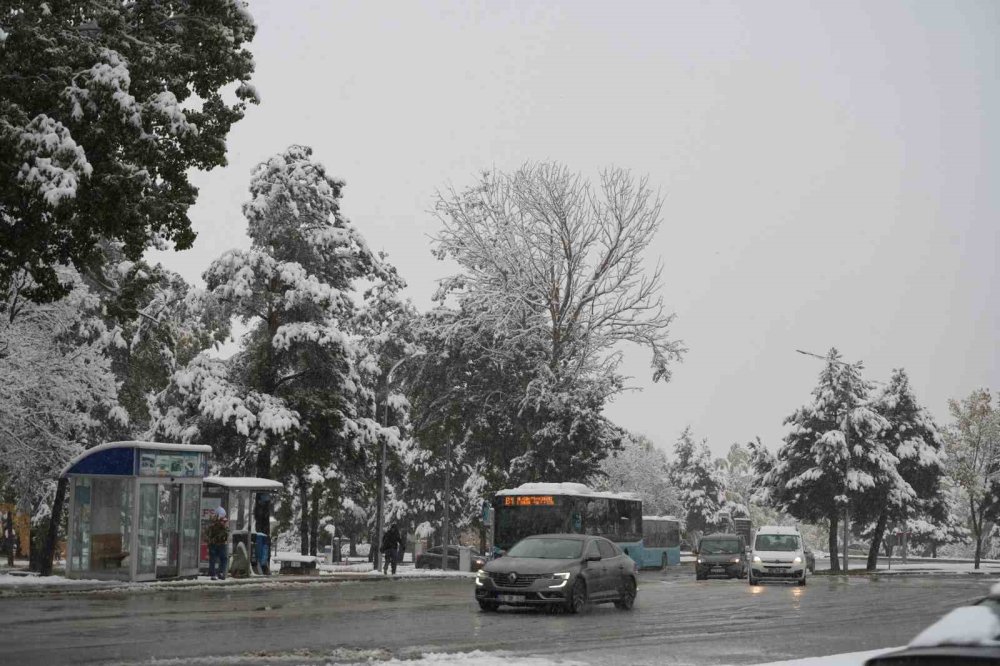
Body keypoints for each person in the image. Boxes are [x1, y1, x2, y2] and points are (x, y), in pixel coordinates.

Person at [206, 506, 229, 580]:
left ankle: (213, 573)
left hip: (213, 543)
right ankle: (220, 573)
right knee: (223, 558)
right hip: (221, 543)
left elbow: (208, 532)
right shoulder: (222, 522)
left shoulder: (212, 521)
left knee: (213, 558)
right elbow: (226, 532)